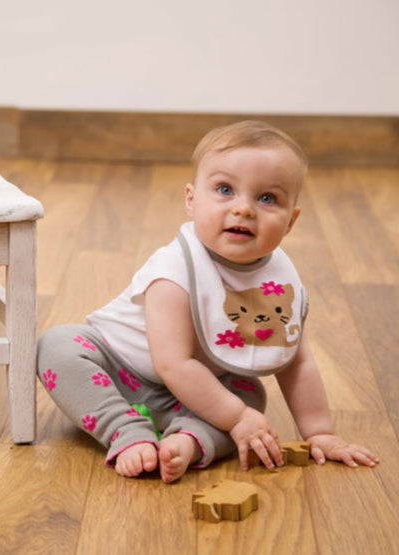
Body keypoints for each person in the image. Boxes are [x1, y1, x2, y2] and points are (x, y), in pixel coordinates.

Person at [37, 120, 379, 483]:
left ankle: (187, 442)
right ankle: (125, 430)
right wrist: (235, 419)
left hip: (195, 394)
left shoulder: (279, 282)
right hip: (118, 370)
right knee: (56, 346)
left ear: (291, 220)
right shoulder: (175, 270)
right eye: (225, 189)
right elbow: (173, 364)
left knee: (249, 395)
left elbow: (296, 362)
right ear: (191, 199)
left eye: (267, 198)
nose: (244, 209)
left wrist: (319, 432)